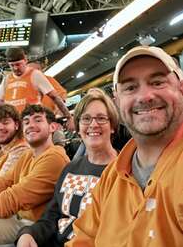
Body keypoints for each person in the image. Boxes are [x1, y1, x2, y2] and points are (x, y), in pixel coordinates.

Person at [65, 46, 183, 247]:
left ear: (181, 88)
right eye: (130, 87)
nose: (145, 96)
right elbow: (84, 238)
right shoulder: (113, 175)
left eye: (157, 82)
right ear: (117, 101)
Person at [15, 91, 119, 247]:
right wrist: (28, 233)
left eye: (101, 118)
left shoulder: (123, 171)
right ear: (78, 127)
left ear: (112, 126)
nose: (93, 124)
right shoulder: (71, 169)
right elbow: (50, 217)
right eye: (86, 119)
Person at [0, 104, 70, 247]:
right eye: (27, 122)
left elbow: (8, 201)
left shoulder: (54, 157)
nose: (31, 125)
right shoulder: (29, 154)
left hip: (34, 227)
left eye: (38, 120)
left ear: (53, 127)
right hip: (18, 217)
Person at [0, 47, 74, 137]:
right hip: (15, 128)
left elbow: (55, 97)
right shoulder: (7, 79)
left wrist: (68, 117)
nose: (15, 68)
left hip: (32, 127)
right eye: (12, 65)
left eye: (18, 64)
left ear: (25, 60)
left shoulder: (35, 75)